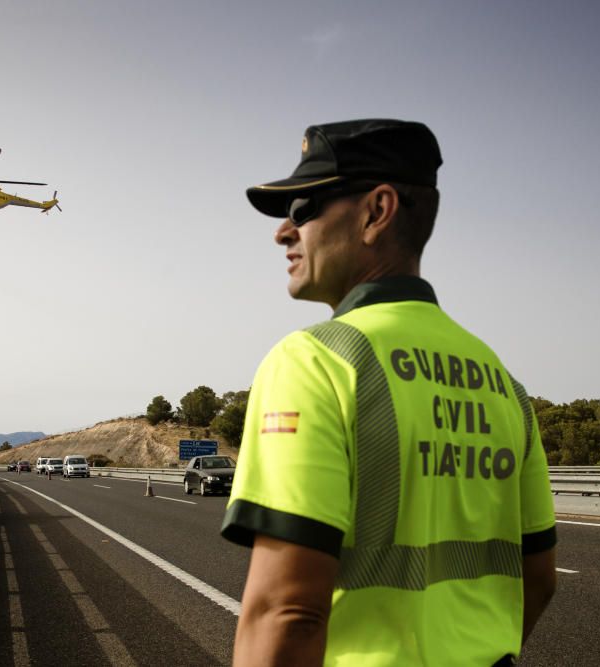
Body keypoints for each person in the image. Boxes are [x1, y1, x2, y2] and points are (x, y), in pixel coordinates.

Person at [220, 119, 556, 666]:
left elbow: (288, 613)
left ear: (377, 212)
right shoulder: (502, 381)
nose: (283, 232)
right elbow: (538, 580)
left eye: (304, 208)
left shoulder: (314, 362)